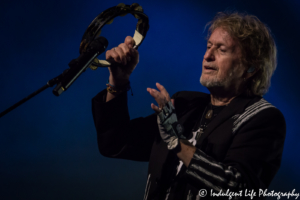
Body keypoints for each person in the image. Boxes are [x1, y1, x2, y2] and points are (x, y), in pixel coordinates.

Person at [92, 12, 286, 200]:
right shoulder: (185, 104)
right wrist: (117, 82)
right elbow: (115, 144)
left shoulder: (262, 118)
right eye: (208, 46)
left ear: (250, 67)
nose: (207, 55)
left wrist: (177, 142)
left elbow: (237, 189)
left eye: (221, 49)